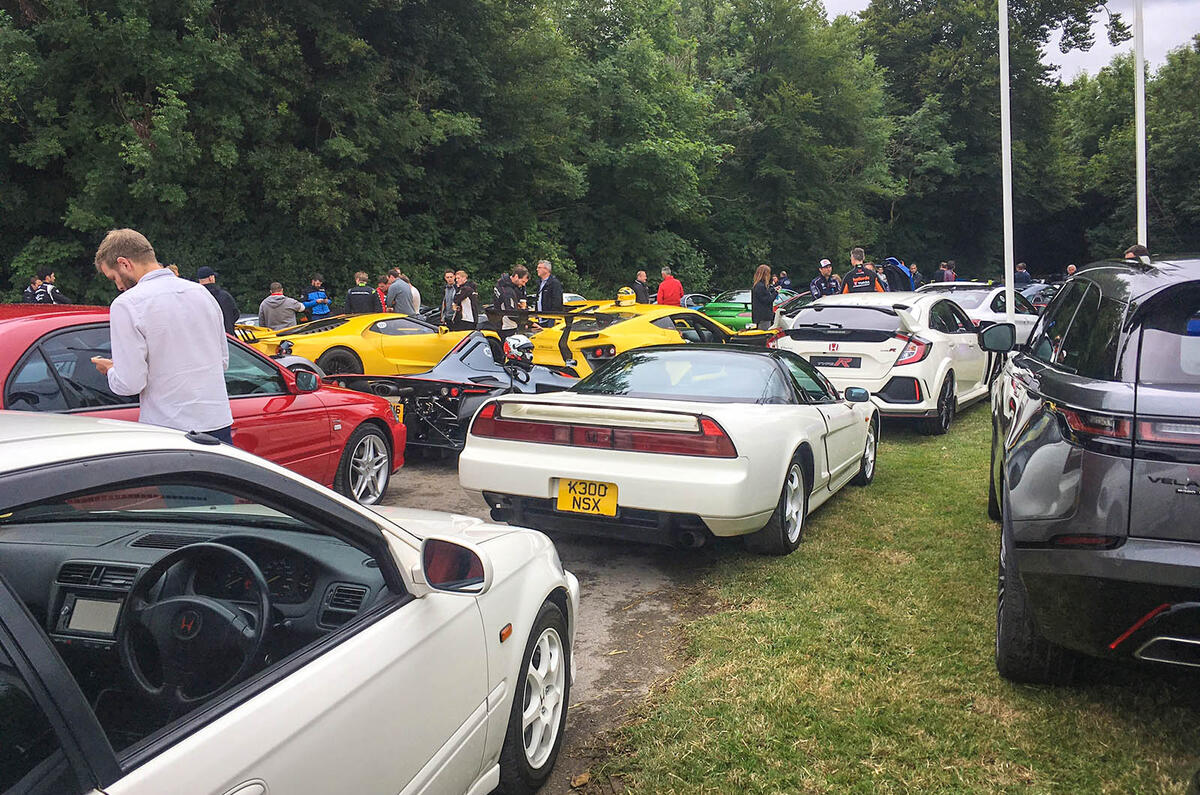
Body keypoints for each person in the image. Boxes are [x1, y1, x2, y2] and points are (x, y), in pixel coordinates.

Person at [89, 228, 233, 442]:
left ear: (124, 263)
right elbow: (222, 361)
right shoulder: (201, 293)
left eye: (114, 278)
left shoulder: (127, 304)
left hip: (169, 428)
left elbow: (130, 383)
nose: (118, 286)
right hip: (218, 422)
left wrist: (111, 370)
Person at [197, 266, 239, 334]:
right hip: (227, 337)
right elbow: (236, 314)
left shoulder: (196, 297)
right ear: (211, 278)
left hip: (205, 337)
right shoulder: (225, 296)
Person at [494, 265, 530, 337]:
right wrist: (527, 322)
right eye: (523, 281)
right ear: (516, 276)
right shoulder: (507, 291)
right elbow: (511, 313)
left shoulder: (501, 284)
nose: (523, 284)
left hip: (500, 324)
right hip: (507, 327)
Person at [750, 264, 777, 330]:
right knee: (765, 336)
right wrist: (776, 293)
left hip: (759, 316)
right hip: (763, 317)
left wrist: (773, 289)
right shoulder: (760, 286)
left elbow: (764, 295)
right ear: (765, 274)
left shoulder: (758, 285)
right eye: (768, 273)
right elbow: (767, 300)